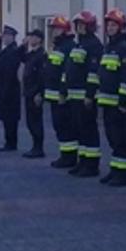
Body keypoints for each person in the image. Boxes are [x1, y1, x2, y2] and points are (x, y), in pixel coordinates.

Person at [96, 9, 126, 187]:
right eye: (109, 25)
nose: (110, 28)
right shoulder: (109, 47)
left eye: (114, 25)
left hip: (118, 103)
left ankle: (124, 174)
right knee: (112, 137)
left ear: (121, 28)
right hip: (107, 101)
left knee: (121, 139)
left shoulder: (124, 48)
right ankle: (116, 169)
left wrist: (123, 100)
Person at [66, 10, 104, 178]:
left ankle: (92, 165)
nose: (79, 28)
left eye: (83, 25)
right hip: (74, 95)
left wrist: (90, 94)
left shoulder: (94, 45)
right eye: (78, 25)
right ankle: (83, 162)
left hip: (85, 96)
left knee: (89, 130)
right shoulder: (79, 44)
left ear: (90, 27)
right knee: (78, 129)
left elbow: (94, 72)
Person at [44, 15, 78, 169]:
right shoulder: (59, 46)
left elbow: (67, 72)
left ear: (64, 30)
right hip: (54, 95)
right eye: (53, 29)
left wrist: (63, 92)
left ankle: (69, 157)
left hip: (62, 96)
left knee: (66, 127)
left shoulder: (68, 47)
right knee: (59, 126)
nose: (53, 32)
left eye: (57, 29)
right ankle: (65, 155)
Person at [0, 26, 24, 152]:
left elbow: (11, 72)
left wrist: (6, 90)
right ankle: (9, 142)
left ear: (13, 38)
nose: (5, 38)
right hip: (3, 86)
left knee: (10, 118)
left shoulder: (14, 51)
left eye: (8, 36)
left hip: (10, 88)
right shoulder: (3, 49)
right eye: (4, 35)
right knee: (6, 118)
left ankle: (11, 143)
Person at [19, 28, 47, 159]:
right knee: (30, 121)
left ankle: (38, 147)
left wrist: (40, 93)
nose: (30, 39)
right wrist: (23, 45)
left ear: (39, 39)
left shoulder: (41, 55)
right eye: (30, 37)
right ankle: (35, 146)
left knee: (36, 121)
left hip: (35, 93)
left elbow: (42, 77)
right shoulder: (31, 54)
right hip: (28, 91)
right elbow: (19, 57)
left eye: (33, 37)